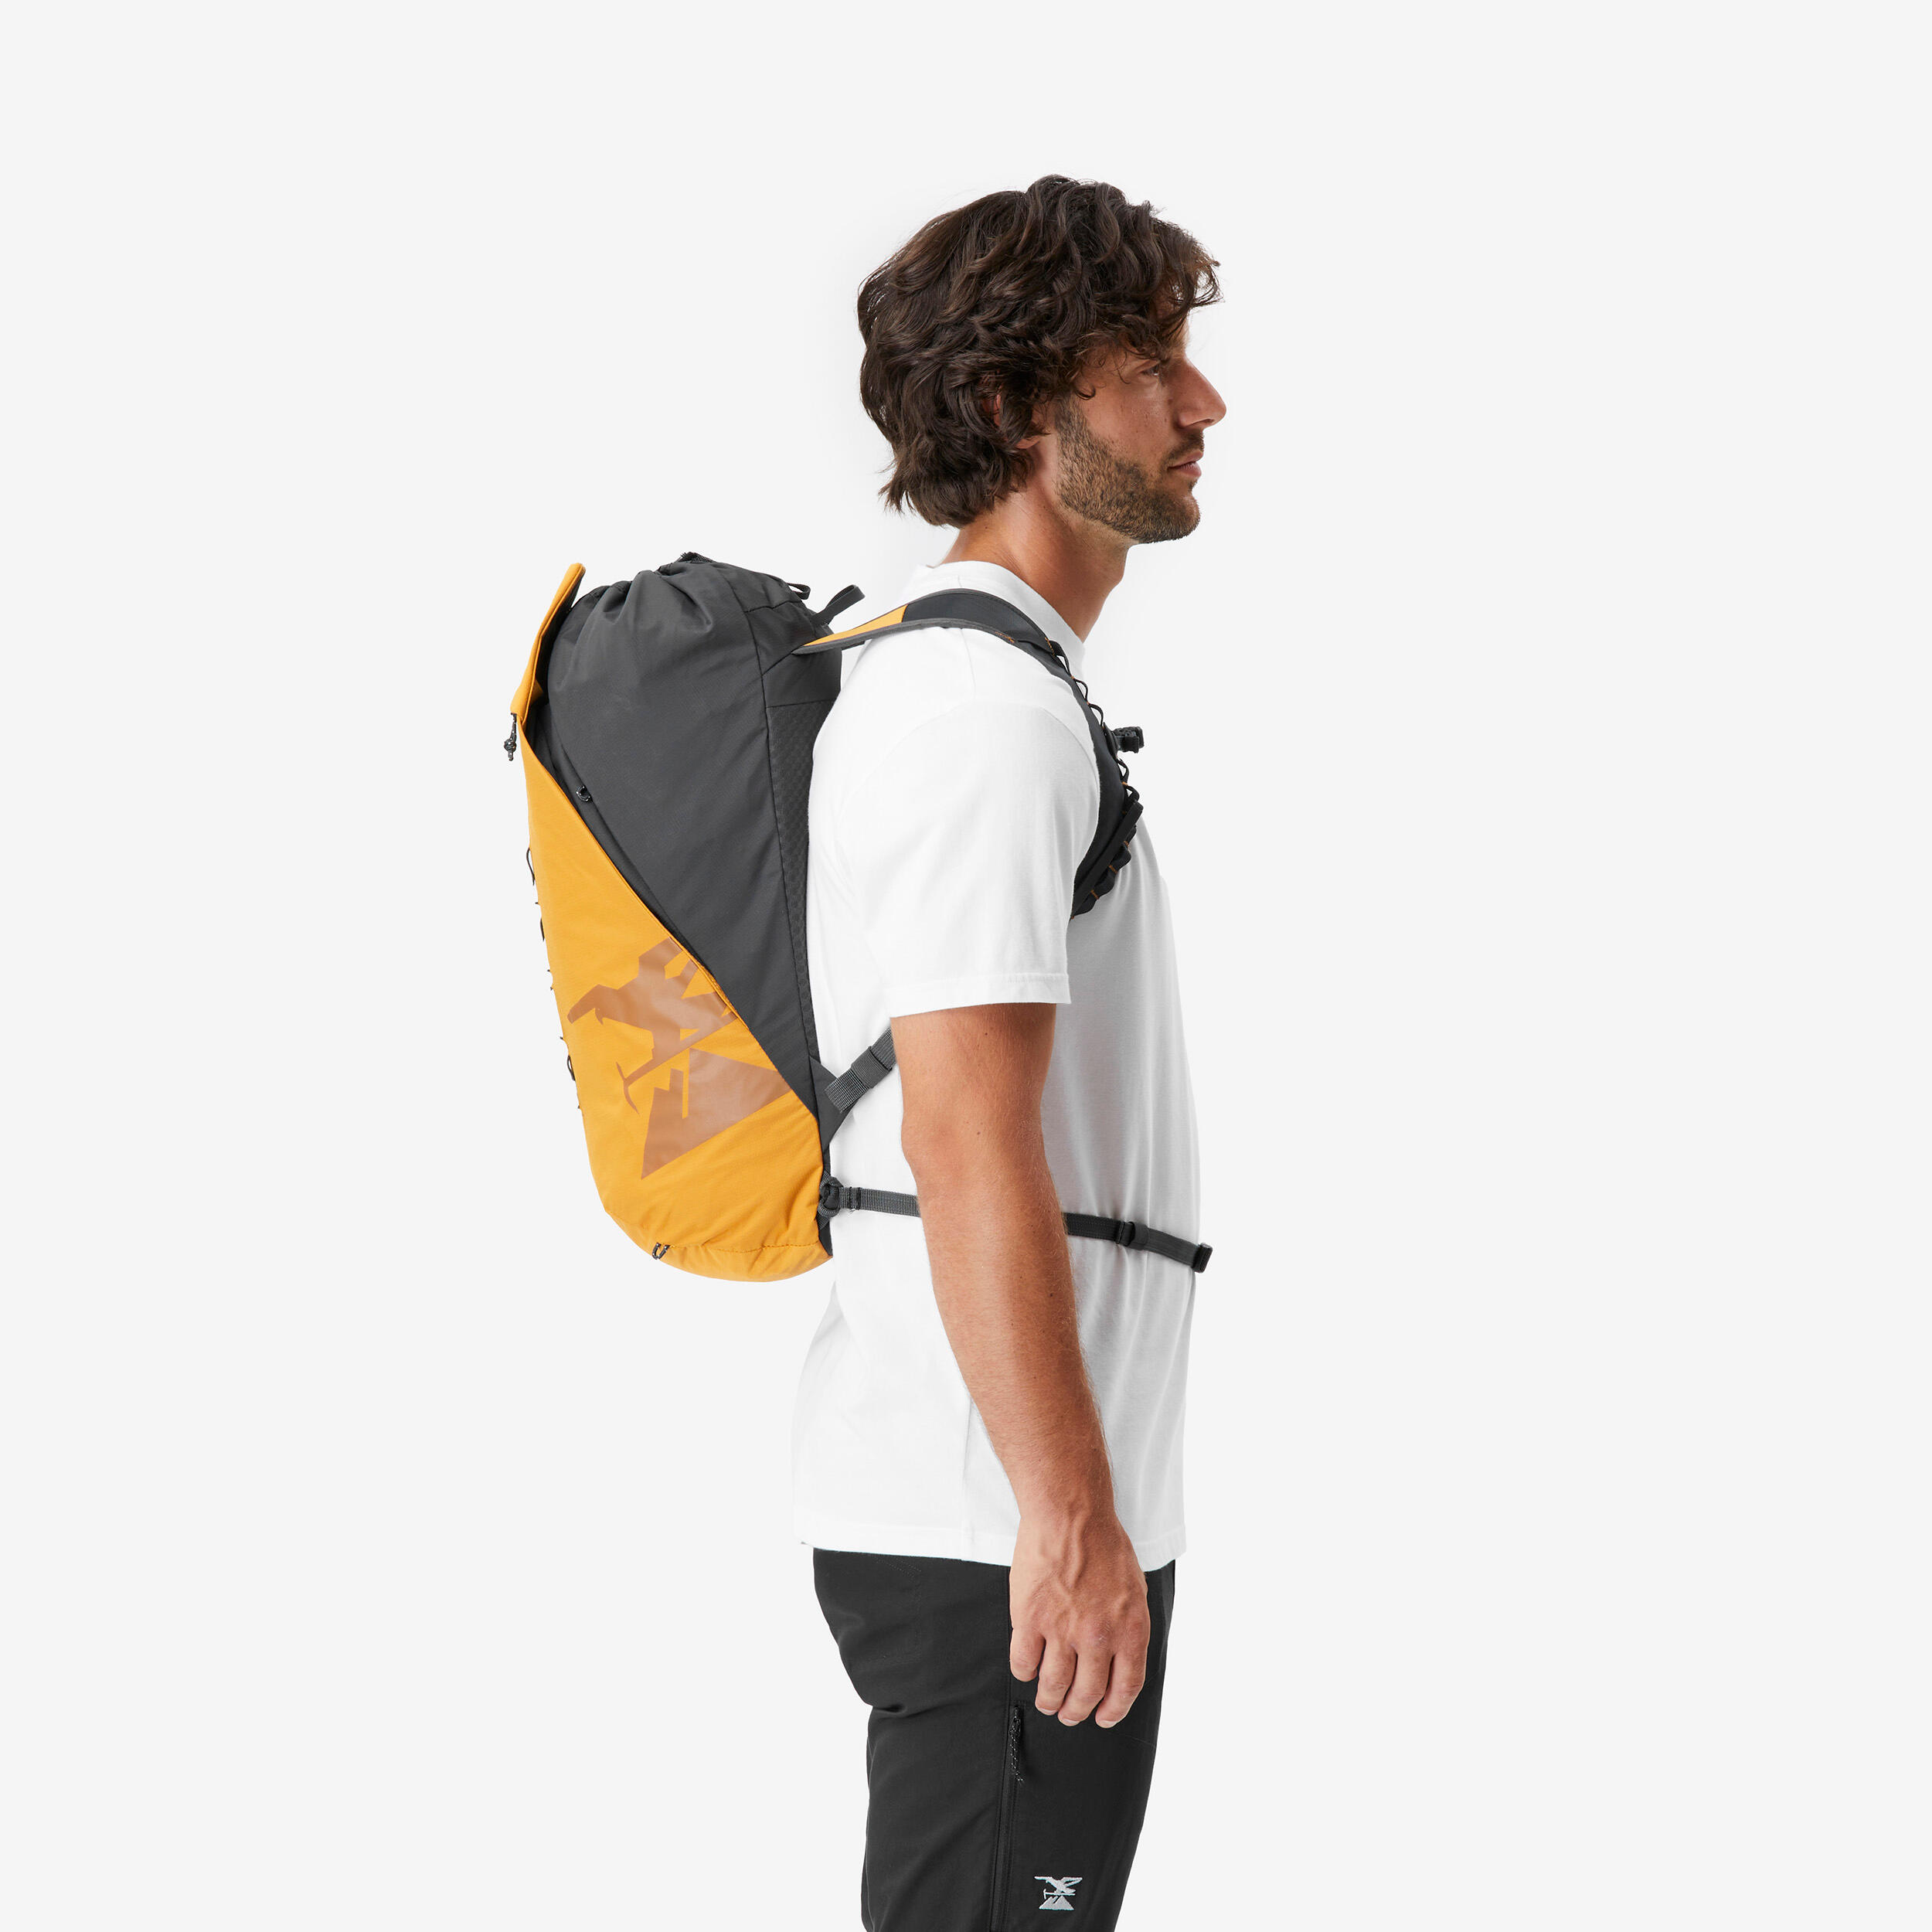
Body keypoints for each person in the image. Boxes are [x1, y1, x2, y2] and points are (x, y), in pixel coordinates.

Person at [796, 175, 1226, 1931]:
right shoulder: (978, 713)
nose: (1203, 404)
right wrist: (1068, 1516)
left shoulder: (1000, 691)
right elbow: (967, 1136)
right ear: (1012, 407)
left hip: (1015, 1508)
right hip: (1001, 1525)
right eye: (1150, 369)